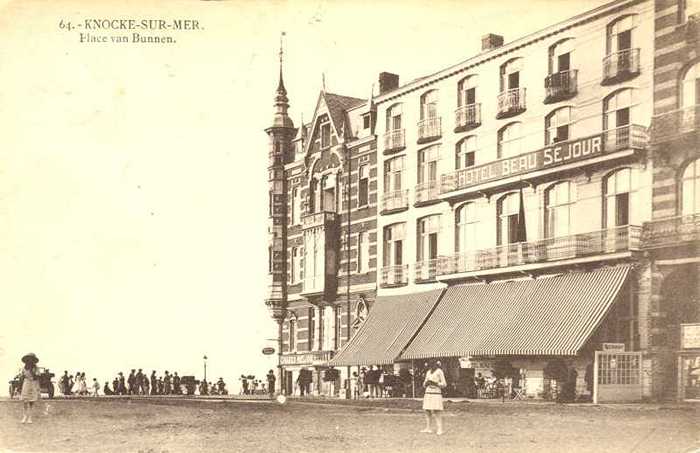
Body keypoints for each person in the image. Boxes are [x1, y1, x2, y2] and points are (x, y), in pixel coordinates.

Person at [422, 360, 447, 435]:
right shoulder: (428, 372)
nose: (431, 366)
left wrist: (436, 383)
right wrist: (426, 383)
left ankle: (440, 429)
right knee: (427, 410)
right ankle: (428, 428)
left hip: (436, 393)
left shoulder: (439, 371)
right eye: (430, 365)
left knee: (437, 411)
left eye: (432, 364)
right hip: (428, 393)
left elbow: (444, 384)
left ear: (436, 364)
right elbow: (424, 384)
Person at [19, 353, 41, 424]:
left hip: (33, 384)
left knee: (31, 401)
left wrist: (32, 371)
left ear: (33, 360)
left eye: (32, 359)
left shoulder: (36, 368)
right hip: (26, 383)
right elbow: (22, 377)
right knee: (25, 401)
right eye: (28, 359)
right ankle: (25, 416)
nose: (30, 361)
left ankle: (30, 417)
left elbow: (37, 377)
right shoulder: (24, 368)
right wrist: (20, 386)